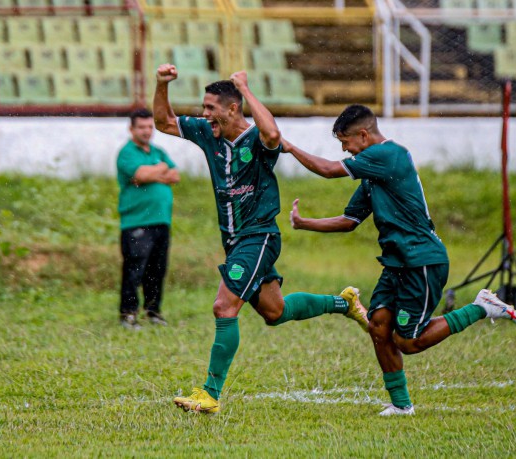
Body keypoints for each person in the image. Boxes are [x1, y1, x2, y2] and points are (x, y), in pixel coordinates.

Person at [152, 64, 369, 414]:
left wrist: (246, 89)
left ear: (233, 108)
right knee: (275, 311)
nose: (204, 114)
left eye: (210, 108)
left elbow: (272, 133)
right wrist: (162, 84)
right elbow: (163, 121)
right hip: (236, 242)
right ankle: (345, 303)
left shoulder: (255, 138)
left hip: (260, 236)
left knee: (224, 307)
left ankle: (210, 393)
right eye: (203, 108)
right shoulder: (208, 132)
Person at [283, 104, 516, 416]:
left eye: (346, 143)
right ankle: (401, 405)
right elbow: (349, 220)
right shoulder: (372, 173)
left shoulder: (388, 155)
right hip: (397, 263)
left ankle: (481, 308)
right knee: (379, 327)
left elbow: (329, 170)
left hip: (420, 261)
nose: (344, 150)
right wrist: (305, 223)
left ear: (363, 134)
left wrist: (287, 146)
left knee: (408, 342)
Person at [116, 108, 180, 331]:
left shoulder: (158, 150)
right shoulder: (127, 153)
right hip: (136, 222)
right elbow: (141, 175)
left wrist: (153, 172)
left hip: (161, 220)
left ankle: (153, 311)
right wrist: (160, 169)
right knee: (135, 269)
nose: (146, 131)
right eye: (141, 127)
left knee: (157, 269)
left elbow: (175, 175)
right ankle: (128, 314)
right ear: (131, 128)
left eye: (150, 127)